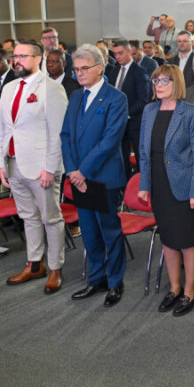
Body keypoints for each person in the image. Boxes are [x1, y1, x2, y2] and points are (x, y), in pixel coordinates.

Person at [0, 39, 69, 294]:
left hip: (41, 167)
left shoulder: (51, 88)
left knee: (51, 218)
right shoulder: (9, 87)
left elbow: (58, 133)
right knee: (28, 217)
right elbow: (2, 128)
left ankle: (56, 267)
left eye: (23, 56)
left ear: (38, 58)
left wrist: (51, 167)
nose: (17, 61)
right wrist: (0, 163)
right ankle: (34, 264)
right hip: (14, 164)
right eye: (15, 56)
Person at [61, 44, 130, 307]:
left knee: (109, 232)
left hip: (102, 177)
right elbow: (66, 135)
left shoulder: (115, 98)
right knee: (89, 233)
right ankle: (97, 279)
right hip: (79, 178)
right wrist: (72, 170)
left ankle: (115, 282)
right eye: (76, 69)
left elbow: (110, 140)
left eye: (84, 68)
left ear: (100, 68)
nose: (79, 73)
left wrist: (83, 171)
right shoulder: (75, 97)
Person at [137, 65, 194, 316]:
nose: (158, 85)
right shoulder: (149, 110)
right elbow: (144, 152)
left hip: (185, 187)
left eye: (164, 80)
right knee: (167, 240)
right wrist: (144, 184)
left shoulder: (191, 112)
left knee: (187, 241)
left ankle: (190, 291)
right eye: (155, 81)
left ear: (176, 83)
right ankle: (175, 288)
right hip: (159, 185)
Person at [108, 40, 150, 177]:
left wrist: (126, 114)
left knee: (140, 158)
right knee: (121, 158)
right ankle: (125, 185)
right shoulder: (114, 71)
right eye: (115, 54)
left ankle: (142, 184)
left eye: (120, 53)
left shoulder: (140, 72)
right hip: (117, 123)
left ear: (130, 51)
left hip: (135, 123)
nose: (117, 57)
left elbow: (143, 99)